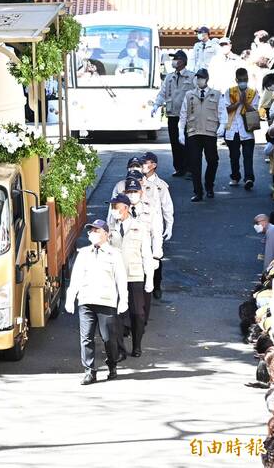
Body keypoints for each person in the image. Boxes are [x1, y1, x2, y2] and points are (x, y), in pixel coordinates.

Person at [65, 220, 128, 385]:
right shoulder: (84, 253)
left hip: (106, 301)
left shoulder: (114, 254)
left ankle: (112, 364)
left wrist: (123, 300)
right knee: (86, 338)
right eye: (91, 231)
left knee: (108, 338)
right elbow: (76, 277)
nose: (92, 233)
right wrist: (71, 297)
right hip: (86, 300)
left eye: (97, 230)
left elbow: (121, 279)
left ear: (106, 234)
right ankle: (89, 371)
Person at [108, 189, 157, 359]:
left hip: (135, 275)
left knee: (138, 314)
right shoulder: (110, 228)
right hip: (115, 276)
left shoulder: (139, 227)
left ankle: (137, 345)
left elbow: (146, 254)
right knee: (117, 315)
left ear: (126, 208)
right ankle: (120, 350)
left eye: (117, 207)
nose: (114, 210)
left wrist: (149, 278)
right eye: (113, 207)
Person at [178, 68, 221, 201]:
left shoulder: (216, 94)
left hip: (209, 132)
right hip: (194, 132)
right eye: (198, 78)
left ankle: (209, 185)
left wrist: (223, 127)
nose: (199, 80)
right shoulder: (189, 95)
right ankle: (198, 192)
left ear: (207, 79)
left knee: (213, 160)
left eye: (202, 78)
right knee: (194, 163)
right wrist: (181, 132)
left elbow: (222, 112)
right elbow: (183, 114)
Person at [152, 51, 195, 177]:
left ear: (183, 61)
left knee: (188, 143)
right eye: (174, 59)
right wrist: (156, 105)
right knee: (175, 143)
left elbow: (196, 95)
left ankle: (190, 169)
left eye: (177, 58)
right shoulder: (169, 77)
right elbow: (162, 93)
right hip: (172, 115)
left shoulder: (191, 77)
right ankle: (179, 168)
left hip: (187, 117)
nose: (174, 61)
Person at [219, 67, 260, 190]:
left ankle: (249, 179)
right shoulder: (229, 92)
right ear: (236, 80)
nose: (243, 81)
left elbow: (254, 111)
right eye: (241, 79)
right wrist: (238, 102)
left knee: (248, 156)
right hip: (232, 129)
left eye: (245, 79)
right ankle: (235, 176)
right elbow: (225, 109)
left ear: (248, 79)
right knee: (234, 155)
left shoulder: (253, 93)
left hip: (247, 129)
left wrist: (245, 102)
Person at [140, 151, 174, 300]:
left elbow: (167, 206)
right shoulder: (137, 181)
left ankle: (157, 284)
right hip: (140, 222)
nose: (143, 165)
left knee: (156, 255)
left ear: (154, 165)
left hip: (155, 224)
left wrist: (169, 225)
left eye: (146, 162)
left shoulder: (161, 185)